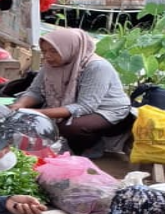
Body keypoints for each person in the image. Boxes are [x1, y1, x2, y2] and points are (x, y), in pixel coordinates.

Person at [9, 28, 132, 156]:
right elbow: (35, 91)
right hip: (70, 104)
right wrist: (20, 105)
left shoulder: (96, 67)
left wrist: (38, 113)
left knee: (69, 127)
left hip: (105, 109)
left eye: (53, 51)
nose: (47, 56)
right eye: (44, 51)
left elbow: (86, 106)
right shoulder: (50, 65)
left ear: (70, 49)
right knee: (22, 115)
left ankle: (93, 146)